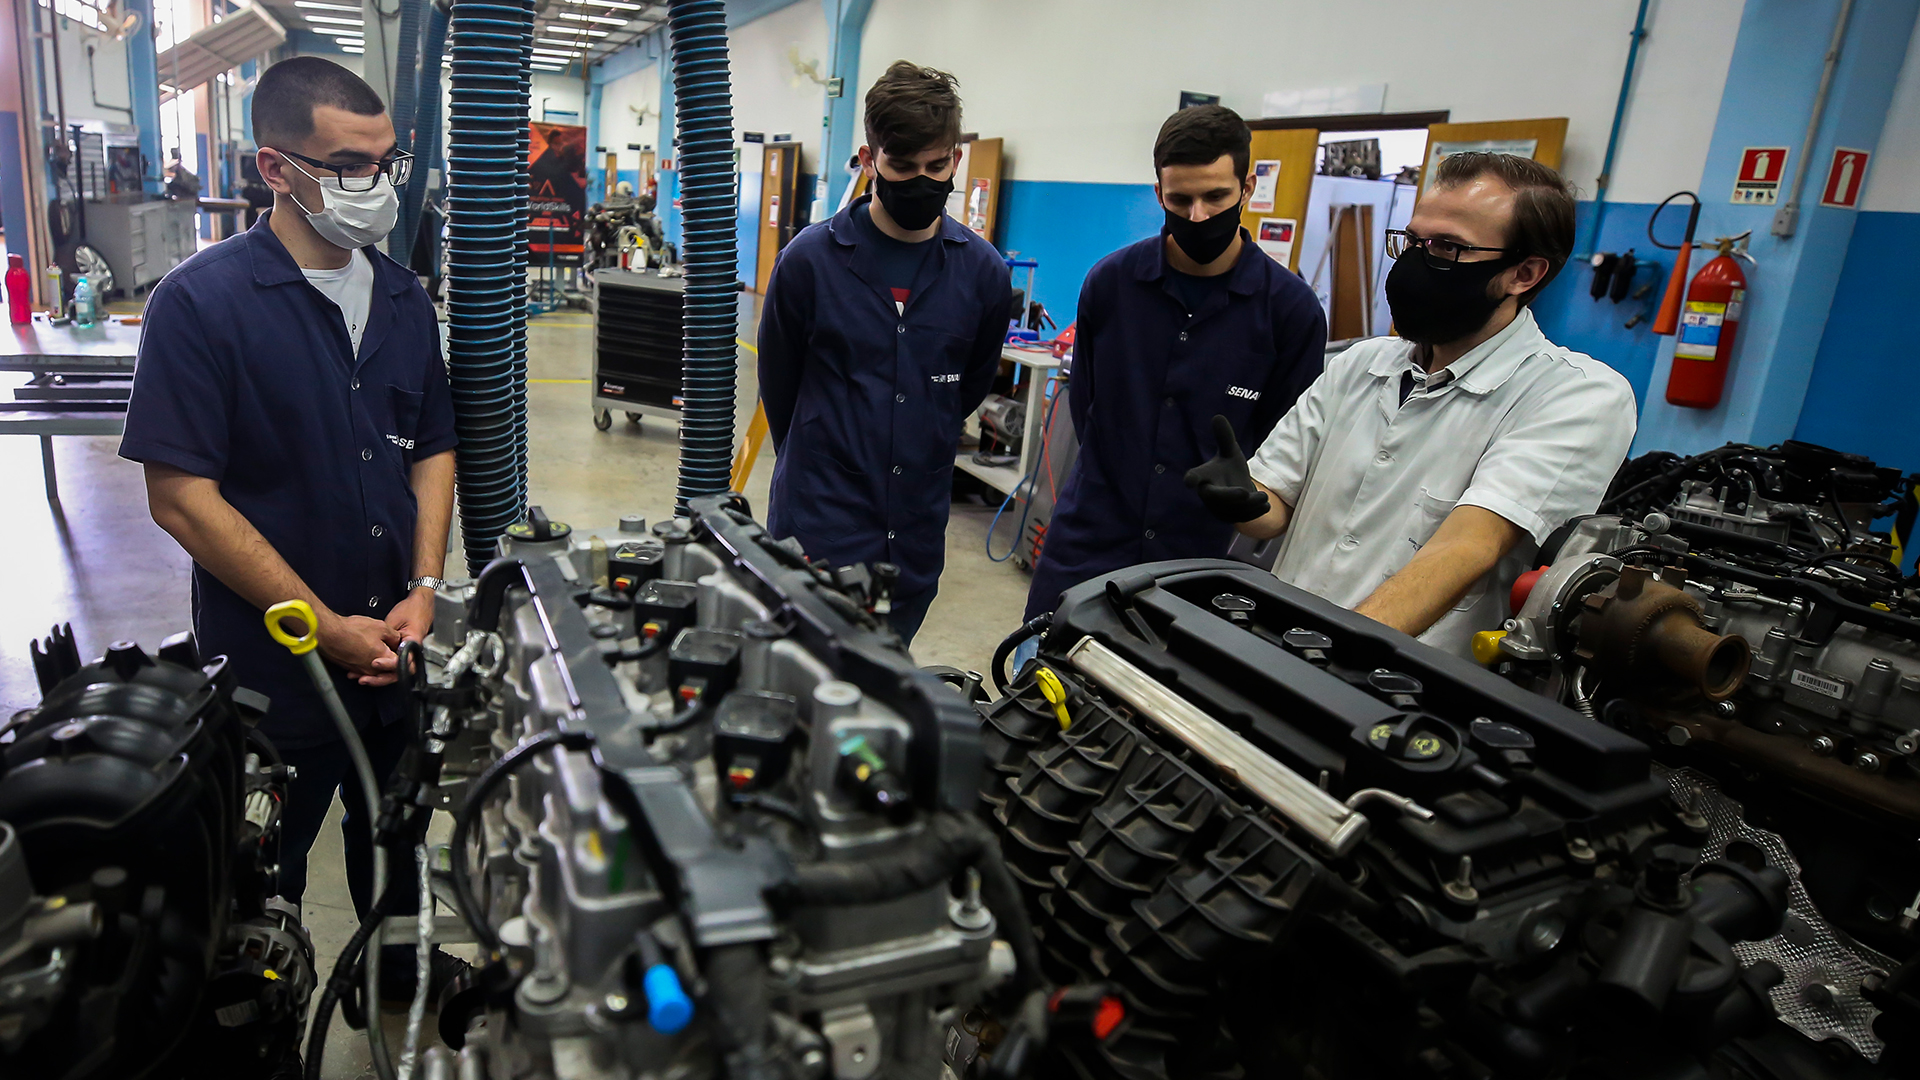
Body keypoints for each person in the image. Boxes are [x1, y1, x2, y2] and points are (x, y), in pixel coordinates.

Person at [119, 56, 466, 1009]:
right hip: (275, 677)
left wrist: (424, 586)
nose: (379, 187)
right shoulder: (200, 306)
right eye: (352, 166)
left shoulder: (403, 298)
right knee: (251, 887)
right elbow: (182, 497)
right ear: (277, 169)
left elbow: (432, 447)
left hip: (397, 656)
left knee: (398, 849)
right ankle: (264, 1018)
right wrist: (318, 621)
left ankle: (396, 974)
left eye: (388, 162)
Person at [1186, 152, 1637, 656]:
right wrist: (1242, 497)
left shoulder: (1576, 395)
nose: (1415, 263)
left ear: (1524, 273)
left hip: (1402, 687)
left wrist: (1328, 651)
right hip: (1282, 646)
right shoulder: (1361, 364)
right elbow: (1273, 510)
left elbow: (1469, 546)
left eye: (1447, 248)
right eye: (1413, 241)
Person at [1021, 105, 1326, 625]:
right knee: (1038, 687)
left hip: (1197, 570)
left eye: (1216, 197)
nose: (1199, 216)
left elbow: (1286, 459)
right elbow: (1089, 407)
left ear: (1247, 187)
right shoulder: (1110, 285)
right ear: (1158, 193)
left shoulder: (1290, 313)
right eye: (1180, 199)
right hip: (1085, 546)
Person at [758, 60, 1012, 644]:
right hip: (818, 528)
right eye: (901, 166)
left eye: (936, 165)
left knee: (886, 686)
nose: (921, 181)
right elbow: (781, 388)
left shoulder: (983, 274)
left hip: (914, 534)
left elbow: (966, 390)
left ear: (956, 159)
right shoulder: (809, 263)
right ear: (869, 159)